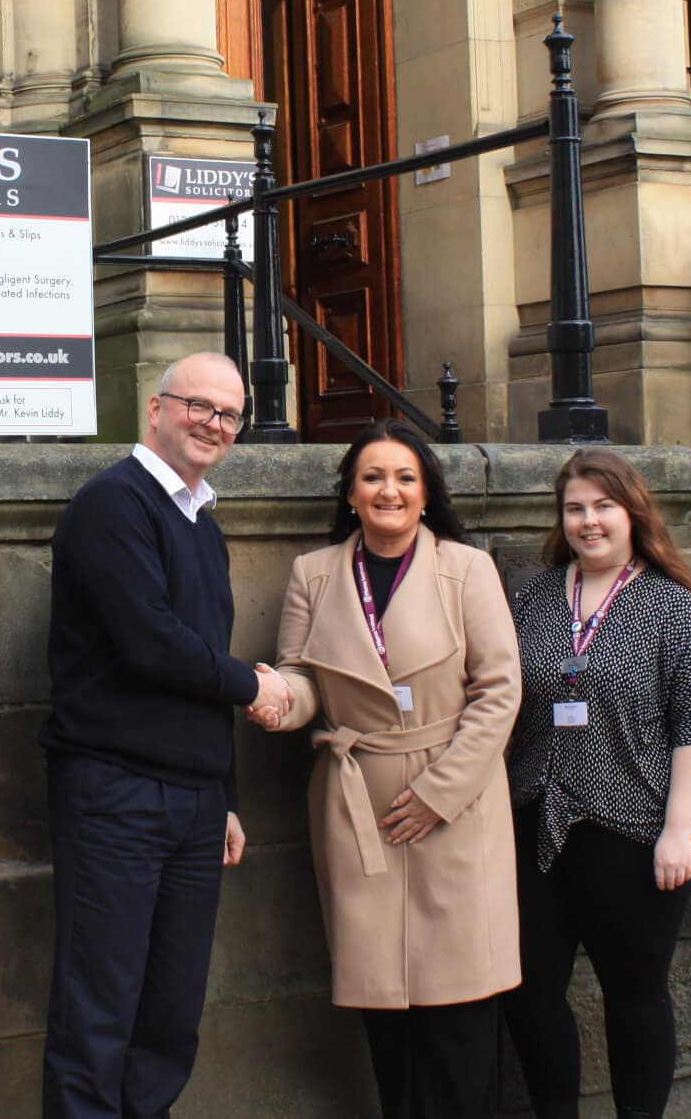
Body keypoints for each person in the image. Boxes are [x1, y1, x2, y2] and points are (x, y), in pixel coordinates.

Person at [39, 351, 292, 1119]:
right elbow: (150, 643)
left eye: (229, 413)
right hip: (114, 794)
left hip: (193, 804)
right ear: (156, 408)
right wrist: (254, 683)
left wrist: (225, 794)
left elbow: (201, 666)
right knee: (98, 1013)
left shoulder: (202, 526)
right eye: (197, 405)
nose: (212, 423)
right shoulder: (112, 505)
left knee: (169, 1019)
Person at [250, 420, 522, 1119]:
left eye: (405, 476)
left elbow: (499, 690)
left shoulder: (468, 569)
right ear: (350, 492)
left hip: (455, 806)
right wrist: (278, 703)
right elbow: (303, 677)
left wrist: (440, 792)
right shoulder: (313, 573)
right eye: (372, 477)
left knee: (459, 1007)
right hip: (357, 804)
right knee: (385, 1010)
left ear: (427, 492)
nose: (388, 490)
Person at [502, 448, 691, 1119]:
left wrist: (679, 831)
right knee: (529, 990)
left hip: (632, 830)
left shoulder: (674, 608)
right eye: (575, 508)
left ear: (633, 513)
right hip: (535, 821)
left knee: (635, 993)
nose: (588, 521)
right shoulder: (533, 597)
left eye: (603, 506)